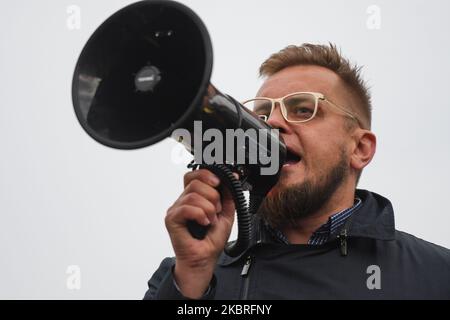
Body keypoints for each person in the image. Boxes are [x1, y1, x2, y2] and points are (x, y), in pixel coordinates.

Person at [144, 43, 450, 299]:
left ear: (360, 149)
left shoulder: (436, 275)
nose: (272, 123)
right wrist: (192, 280)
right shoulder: (181, 275)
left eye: (304, 109)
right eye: (262, 114)